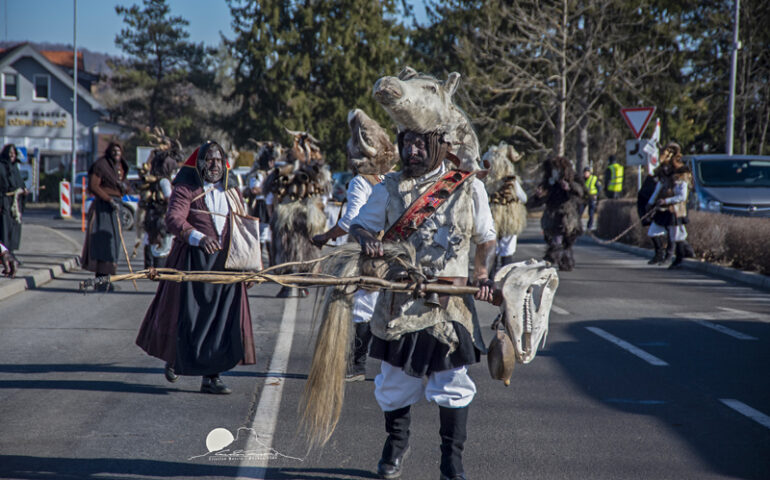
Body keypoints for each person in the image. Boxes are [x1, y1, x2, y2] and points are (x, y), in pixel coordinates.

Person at [350, 129, 497, 480]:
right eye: (407, 143)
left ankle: (451, 462)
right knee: (394, 383)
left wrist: (481, 272)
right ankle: (396, 445)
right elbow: (360, 226)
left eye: (421, 144)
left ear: (442, 145)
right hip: (399, 303)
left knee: (452, 382)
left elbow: (487, 238)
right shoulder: (387, 187)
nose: (411, 151)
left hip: (450, 306)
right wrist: (366, 239)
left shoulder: (467, 186)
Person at [135, 142, 256, 394]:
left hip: (227, 267)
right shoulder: (186, 187)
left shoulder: (233, 190)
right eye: (209, 160)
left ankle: (212, 377)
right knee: (190, 318)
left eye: (218, 160)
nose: (214, 165)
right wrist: (198, 237)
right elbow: (174, 219)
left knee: (221, 322)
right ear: (198, 163)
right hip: (194, 262)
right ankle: (175, 357)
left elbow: (244, 226)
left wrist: (250, 266)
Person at [312, 108, 399, 382]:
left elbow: (352, 221)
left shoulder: (360, 182)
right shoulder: (395, 180)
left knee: (361, 307)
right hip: (395, 254)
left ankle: (357, 366)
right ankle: (391, 366)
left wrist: (325, 237)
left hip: (368, 254)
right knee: (387, 304)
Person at [81, 142, 129, 291]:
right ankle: (101, 282)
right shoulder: (101, 165)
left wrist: (124, 188)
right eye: (114, 150)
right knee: (103, 246)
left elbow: (121, 183)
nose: (116, 153)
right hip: (103, 208)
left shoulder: (120, 165)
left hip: (115, 206)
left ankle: (107, 281)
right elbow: (93, 186)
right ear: (109, 152)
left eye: (118, 150)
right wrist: (109, 199)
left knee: (113, 244)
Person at [527, 156, 584, 271]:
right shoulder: (548, 183)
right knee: (556, 240)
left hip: (569, 217)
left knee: (567, 242)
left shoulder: (573, 180)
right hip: (552, 217)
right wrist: (538, 196)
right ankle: (552, 259)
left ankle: (563, 261)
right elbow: (536, 201)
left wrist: (569, 187)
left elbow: (581, 194)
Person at [646, 143, 694, 269]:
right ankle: (660, 254)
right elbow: (658, 188)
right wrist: (650, 203)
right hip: (663, 209)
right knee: (653, 232)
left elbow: (682, 196)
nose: (665, 167)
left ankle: (674, 258)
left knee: (676, 235)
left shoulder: (681, 174)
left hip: (675, 210)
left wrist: (666, 201)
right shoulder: (664, 174)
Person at [140, 147, 181, 268]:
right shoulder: (164, 181)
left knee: (152, 241)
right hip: (160, 217)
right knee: (162, 245)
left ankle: (150, 267)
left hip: (152, 215)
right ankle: (158, 269)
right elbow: (169, 198)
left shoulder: (155, 179)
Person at [0, 144, 25, 262]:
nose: (12, 155)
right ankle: (5, 254)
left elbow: (19, 183)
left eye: (14, 153)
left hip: (14, 204)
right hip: (4, 202)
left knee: (14, 229)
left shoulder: (15, 167)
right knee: (4, 228)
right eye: (10, 153)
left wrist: (23, 190)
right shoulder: (1, 166)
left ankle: (11, 252)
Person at [579, 166, 601, 231]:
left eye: (587, 173)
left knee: (591, 213)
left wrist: (596, 195)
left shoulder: (594, 179)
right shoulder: (582, 180)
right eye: (584, 173)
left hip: (591, 197)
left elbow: (599, 188)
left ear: (589, 173)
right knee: (580, 212)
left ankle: (589, 227)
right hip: (584, 198)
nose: (585, 174)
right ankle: (579, 225)